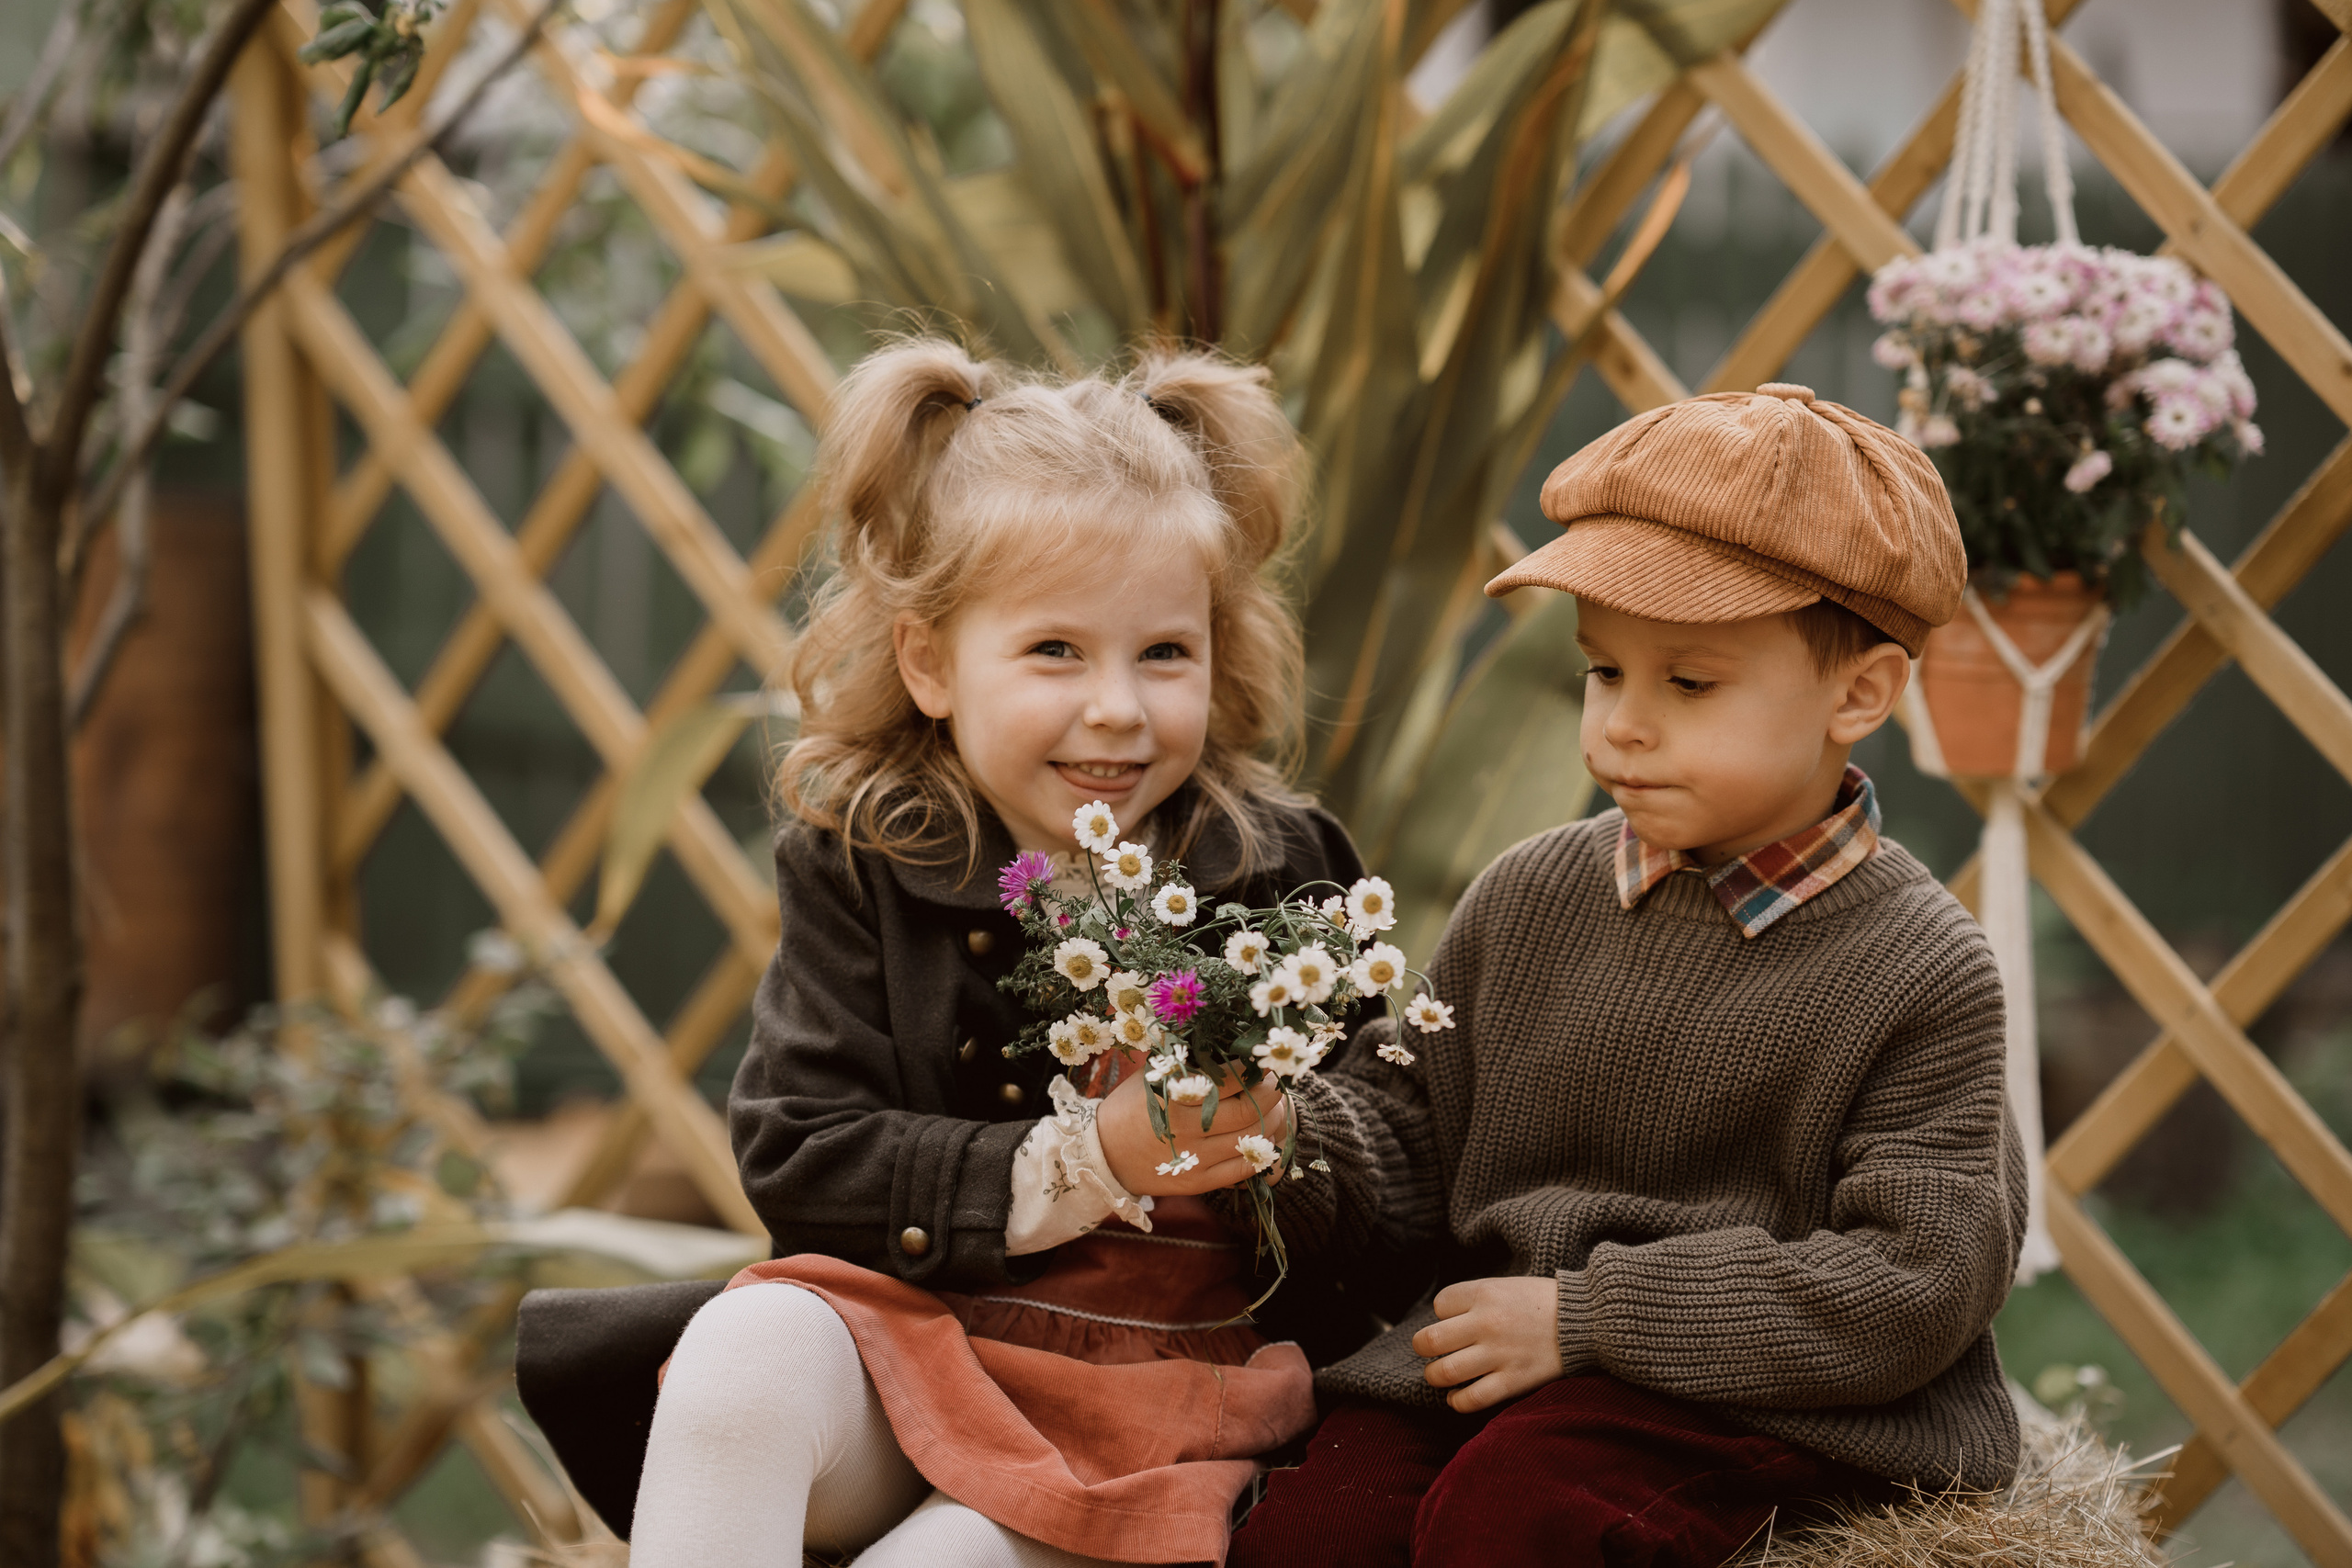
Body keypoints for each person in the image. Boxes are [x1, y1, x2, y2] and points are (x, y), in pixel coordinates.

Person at [1227, 383, 2027, 1568]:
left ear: (1860, 693)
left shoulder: (1921, 971)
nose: (1622, 728)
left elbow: (1915, 1282)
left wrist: (1594, 1318)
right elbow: (1410, 1139)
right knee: (1306, 1538)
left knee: (1509, 1526)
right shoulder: (1529, 894)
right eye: (1605, 673)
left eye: (1688, 684)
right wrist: (1276, 1135)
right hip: (1498, 1361)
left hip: (1755, 1403)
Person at [629, 338, 1389, 1568]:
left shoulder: (1281, 871)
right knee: (737, 1365)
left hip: (1150, 1392)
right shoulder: (870, 857)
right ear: (931, 661)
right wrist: (1092, 1156)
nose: (1118, 709)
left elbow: (1398, 1165)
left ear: (1218, 647)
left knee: (941, 1565)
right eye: (1054, 651)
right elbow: (801, 1149)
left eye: (1164, 652)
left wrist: (1280, 1138)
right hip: (916, 1341)